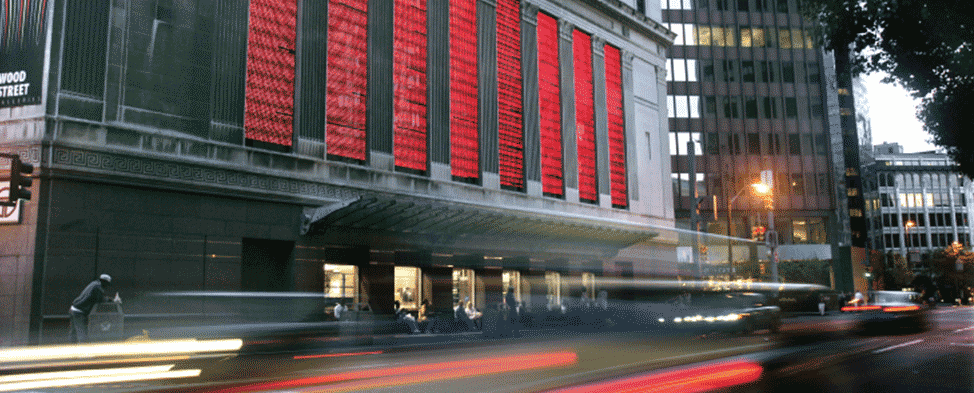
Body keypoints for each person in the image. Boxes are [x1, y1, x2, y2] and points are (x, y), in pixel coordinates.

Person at [69, 274, 114, 343]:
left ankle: (71, 348)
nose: (107, 286)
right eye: (107, 284)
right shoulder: (98, 287)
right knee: (82, 333)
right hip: (79, 312)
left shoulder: (94, 283)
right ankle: (83, 351)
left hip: (73, 309)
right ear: (105, 282)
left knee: (74, 332)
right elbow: (101, 299)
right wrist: (112, 300)